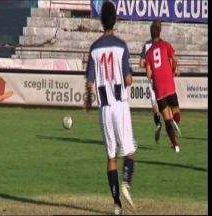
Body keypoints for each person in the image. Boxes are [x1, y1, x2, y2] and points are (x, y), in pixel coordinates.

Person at [84, 1, 137, 214]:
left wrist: (88, 99)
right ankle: (126, 183)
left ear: (100, 21)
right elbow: (129, 79)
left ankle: (116, 204)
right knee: (130, 150)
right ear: (115, 20)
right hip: (120, 105)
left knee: (111, 156)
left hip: (104, 108)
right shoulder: (121, 45)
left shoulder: (94, 48)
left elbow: (89, 82)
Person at [145, 20, 181, 153]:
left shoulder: (149, 53)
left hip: (159, 89)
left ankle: (175, 145)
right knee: (176, 113)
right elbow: (175, 59)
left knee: (166, 120)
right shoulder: (166, 45)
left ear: (151, 34)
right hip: (169, 84)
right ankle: (175, 121)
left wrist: (154, 73)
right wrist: (173, 70)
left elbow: (149, 74)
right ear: (160, 32)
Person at [140, 39, 162, 143]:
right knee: (165, 103)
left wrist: (149, 65)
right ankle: (172, 124)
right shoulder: (163, 44)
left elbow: (141, 63)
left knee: (155, 104)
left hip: (152, 79)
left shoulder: (147, 45)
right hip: (163, 77)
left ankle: (158, 123)